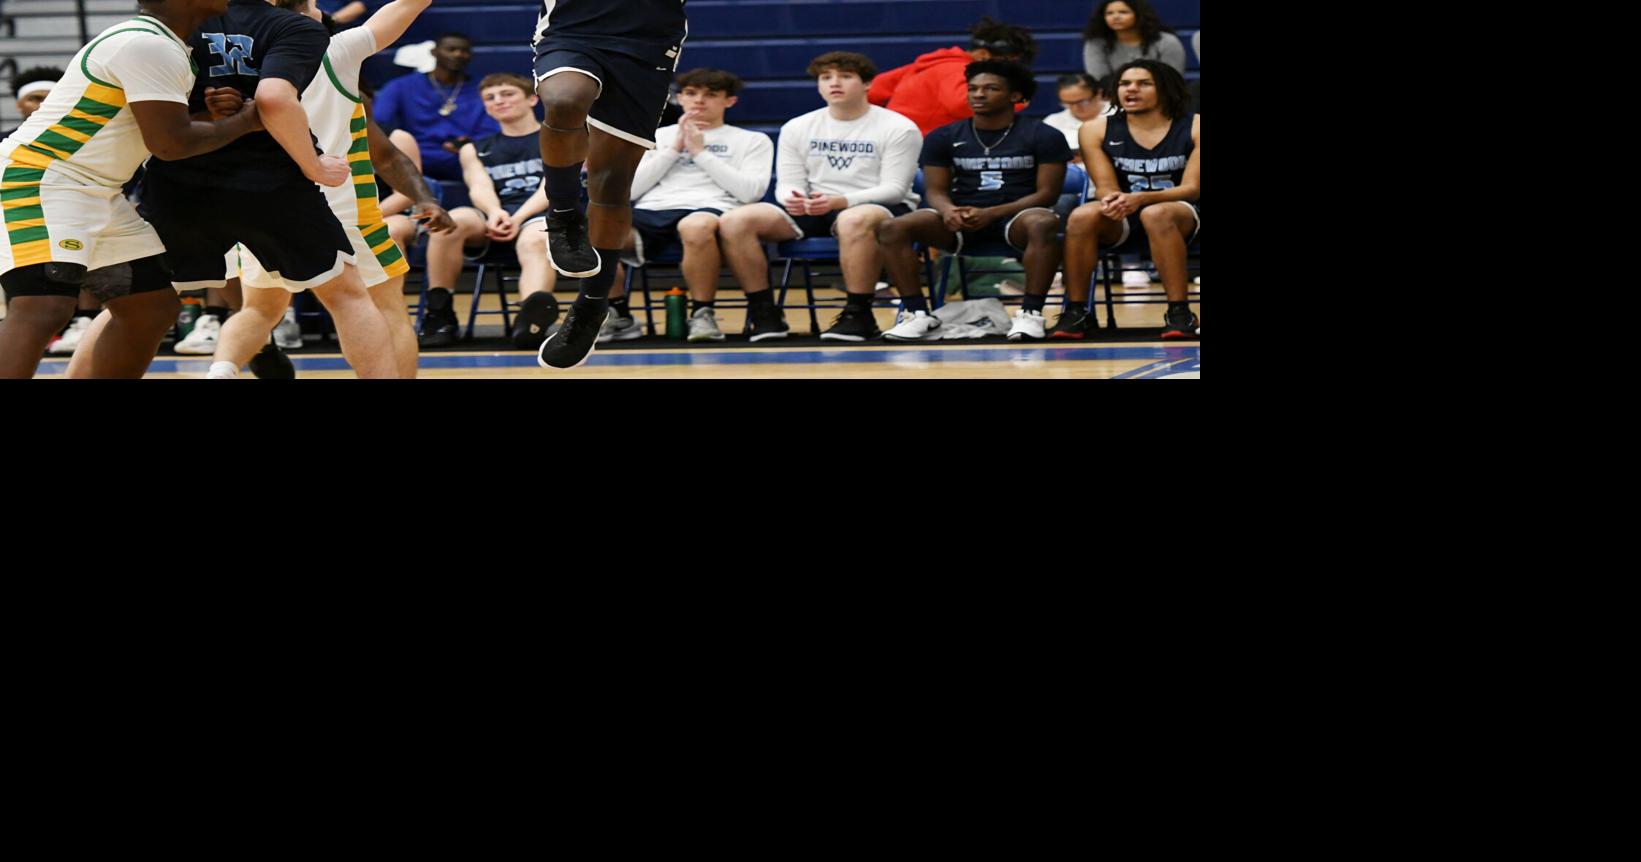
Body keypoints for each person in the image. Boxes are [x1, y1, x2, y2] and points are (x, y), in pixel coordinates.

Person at [136, 0, 400, 378]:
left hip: (179, 178)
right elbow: (273, 98)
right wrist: (314, 164)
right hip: (277, 182)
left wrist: (204, 111)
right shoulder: (318, 37)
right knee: (349, 297)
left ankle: (222, 368)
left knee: (141, 302)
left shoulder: (171, 26)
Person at [0, 0, 263, 379]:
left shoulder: (163, 43)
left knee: (150, 308)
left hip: (95, 189)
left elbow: (151, 125)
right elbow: (170, 144)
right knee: (44, 307)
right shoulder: (143, 43)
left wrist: (211, 117)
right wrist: (245, 122)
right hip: (43, 179)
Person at [208, 0, 452, 379]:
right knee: (378, 306)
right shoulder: (337, 50)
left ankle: (220, 371)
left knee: (259, 309)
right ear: (309, 11)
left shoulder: (236, 58)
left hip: (258, 203)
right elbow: (410, 4)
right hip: (339, 204)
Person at [715, 51, 921, 342]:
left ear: (867, 84)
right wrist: (793, 198)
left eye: (845, 76)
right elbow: (786, 185)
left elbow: (895, 189)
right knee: (736, 220)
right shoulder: (798, 127)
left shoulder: (898, 127)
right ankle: (765, 313)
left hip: (880, 208)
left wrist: (842, 201)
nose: (834, 83)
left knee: (853, 219)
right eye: (826, 78)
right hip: (817, 207)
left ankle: (859, 314)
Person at [528, 0, 690, 369]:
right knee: (565, 99)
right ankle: (564, 215)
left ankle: (592, 305)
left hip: (647, 40)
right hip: (572, 27)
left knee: (613, 183)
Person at [877, 61, 1069, 342]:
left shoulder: (1043, 135)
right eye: (973, 88)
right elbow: (935, 190)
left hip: (1016, 219)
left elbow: (1047, 195)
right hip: (962, 220)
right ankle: (918, 315)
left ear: (1015, 96)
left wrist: (992, 213)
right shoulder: (944, 136)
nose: (978, 94)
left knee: (1043, 221)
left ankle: (1030, 314)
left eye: (991, 88)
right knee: (892, 227)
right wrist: (947, 210)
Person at [607, 67, 772, 343]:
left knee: (695, 225)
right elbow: (630, 190)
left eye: (710, 95)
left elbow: (749, 193)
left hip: (710, 208)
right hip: (653, 210)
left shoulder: (752, 140)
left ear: (729, 101)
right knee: (595, 230)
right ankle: (617, 313)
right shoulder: (655, 137)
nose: (699, 101)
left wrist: (700, 152)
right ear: (680, 98)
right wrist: (674, 150)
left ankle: (702, 314)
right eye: (691, 94)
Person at [1054, 59, 1197, 340]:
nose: (1131, 89)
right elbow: (1105, 187)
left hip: (1185, 213)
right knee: (1082, 216)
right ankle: (1077, 311)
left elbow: (1192, 188)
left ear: (1166, 90)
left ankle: (1180, 312)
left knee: (1156, 214)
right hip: (1127, 212)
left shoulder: (1195, 126)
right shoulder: (1095, 129)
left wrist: (1141, 199)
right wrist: (1112, 200)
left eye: (1144, 83)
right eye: (1124, 84)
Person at [418, 72, 557, 350]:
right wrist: (495, 213)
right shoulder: (475, 149)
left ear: (532, 99)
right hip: (496, 217)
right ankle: (439, 313)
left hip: (543, 218)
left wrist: (517, 218)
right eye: (490, 98)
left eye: (507, 94)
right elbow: (478, 186)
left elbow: (550, 188)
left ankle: (531, 320)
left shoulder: (557, 138)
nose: (498, 101)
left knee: (534, 237)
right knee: (452, 220)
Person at [866, 17, 1037, 136]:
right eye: (1007, 62)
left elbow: (870, 91)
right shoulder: (956, 70)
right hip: (920, 150)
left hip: (899, 142)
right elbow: (962, 105)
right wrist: (1014, 102)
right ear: (983, 54)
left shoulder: (932, 64)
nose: (1010, 69)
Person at [371, 31, 500, 183]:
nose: (458, 54)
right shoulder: (400, 86)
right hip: (417, 155)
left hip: (465, 156)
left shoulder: (483, 87)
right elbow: (379, 122)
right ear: (434, 52)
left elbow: (497, 126)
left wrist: (473, 143)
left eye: (464, 51)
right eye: (451, 49)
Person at [1082, 0, 1187, 82]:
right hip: (1112, 97)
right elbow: (1099, 79)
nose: (1115, 17)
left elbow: (1173, 78)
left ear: (1140, 15)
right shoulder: (1096, 43)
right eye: (1109, 13)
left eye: (1123, 12)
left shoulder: (1166, 41)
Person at [1043, 73, 1109, 157]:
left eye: (1082, 102)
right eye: (1068, 103)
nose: (1075, 108)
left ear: (1099, 94)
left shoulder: (1120, 115)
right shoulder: (1052, 122)